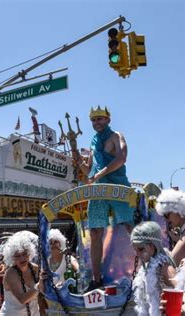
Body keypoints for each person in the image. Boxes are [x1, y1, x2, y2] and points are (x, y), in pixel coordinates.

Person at [75, 106, 135, 290]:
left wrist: (100, 173)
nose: (97, 122)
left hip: (117, 186)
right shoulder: (92, 142)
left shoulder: (117, 136)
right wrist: (78, 160)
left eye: (100, 119)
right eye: (93, 120)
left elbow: (122, 158)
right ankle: (96, 279)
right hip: (98, 189)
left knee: (129, 226)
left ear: (108, 119)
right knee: (94, 232)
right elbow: (88, 171)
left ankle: (146, 268)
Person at [130, 221, 176, 316]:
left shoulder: (164, 267)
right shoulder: (146, 267)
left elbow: (181, 287)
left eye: (141, 249)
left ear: (152, 246)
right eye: (136, 250)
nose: (138, 254)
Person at [0, 231, 41, 316]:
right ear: (12, 258)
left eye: (24, 254)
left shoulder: (35, 268)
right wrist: (40, 285)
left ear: (29, 253)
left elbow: (38, 295)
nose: (22, 258)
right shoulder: (10, 274)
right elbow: (22, 299)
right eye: (17, 256)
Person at [155, 188, 185, 266]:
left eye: (167, 215)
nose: (166, 219)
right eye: (163, 216)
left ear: (178, 211)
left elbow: (172, 262)